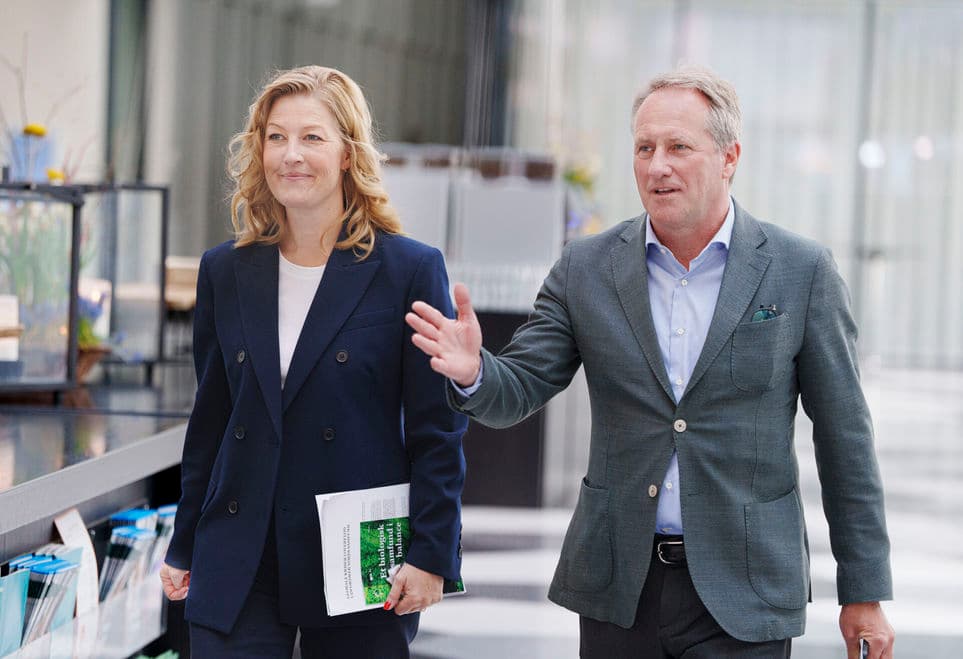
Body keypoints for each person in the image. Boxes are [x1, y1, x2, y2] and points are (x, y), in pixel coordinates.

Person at [405, 66, 895, 658]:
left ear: (729, 157)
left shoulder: (801, 271)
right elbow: (522, 385)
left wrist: (864, 590)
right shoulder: (586, 269)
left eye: (678, 147)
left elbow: (845, 437)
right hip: (619, 584)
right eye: (644, 148)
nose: (657, 165)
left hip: (746, 590)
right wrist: (475, 371)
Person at [159, 65, 467, 658]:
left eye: (312, 137)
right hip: (240, 544)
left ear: (349, 154)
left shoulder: (408, 270)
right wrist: (185, 540)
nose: (291, 154)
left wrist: (432, 553)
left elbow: (437, 430)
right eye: (276, 137)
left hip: (358, 547)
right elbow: (213, 421)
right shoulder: (225, 270)